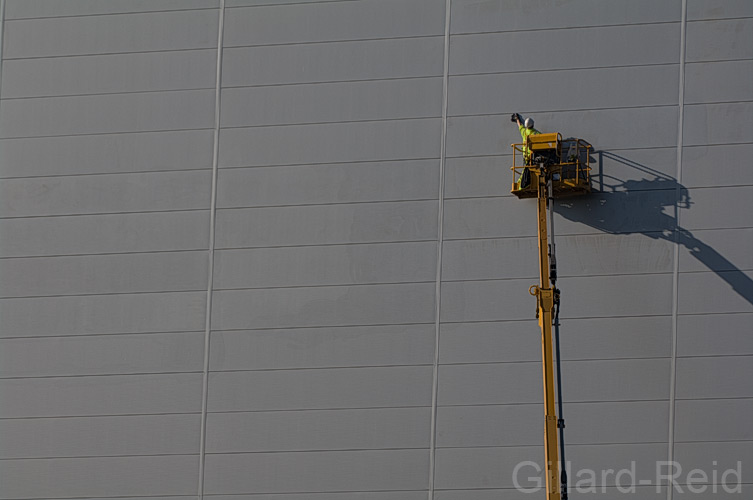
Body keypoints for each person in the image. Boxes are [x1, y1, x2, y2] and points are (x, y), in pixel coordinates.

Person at [511, 113, 540, 188]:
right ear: (533, 125)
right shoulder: (537, 134)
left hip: (527, 157)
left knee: (525, 172)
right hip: (535, 156)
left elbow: (520, 126)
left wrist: (517, 119)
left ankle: (520, 186)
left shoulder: (524, 132)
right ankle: (523, 185)